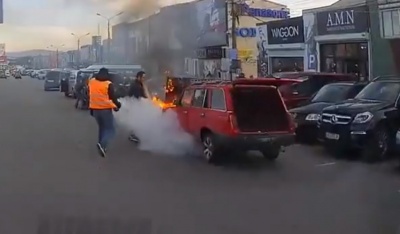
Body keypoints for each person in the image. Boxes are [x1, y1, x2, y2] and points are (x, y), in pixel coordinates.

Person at [88, 68, 121, 157]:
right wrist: (118, 105)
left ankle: (101, 145)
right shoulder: (108, 84)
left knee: (102, 127)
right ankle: (102, 144)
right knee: (111, 129)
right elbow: (113, 97)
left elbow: (91, 94)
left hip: (95, 109)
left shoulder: (91, 82)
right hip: (105, 109)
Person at [127, 71, 149, 143]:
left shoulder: (139, 84)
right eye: (143, 77)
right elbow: (138, 97)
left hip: (136, 104)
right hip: (135, 105)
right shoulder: (136, 85)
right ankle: (133, 135)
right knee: (136, 120)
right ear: (138, 77)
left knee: (137, 120)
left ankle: (134, 135)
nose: (144, 79)